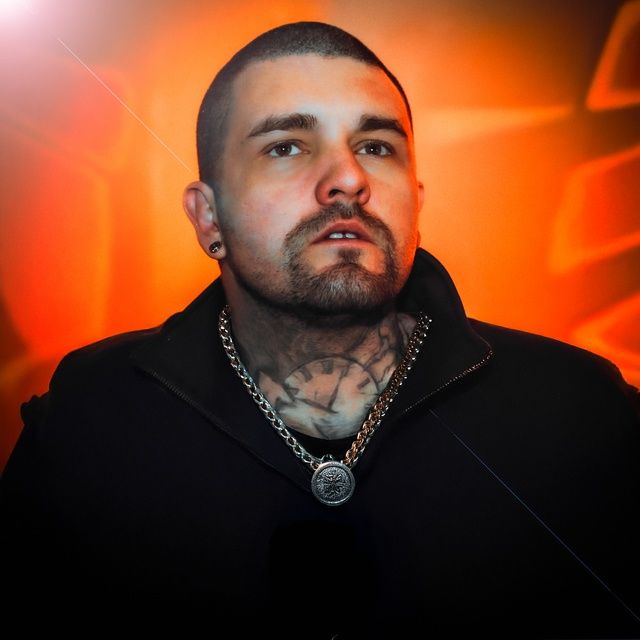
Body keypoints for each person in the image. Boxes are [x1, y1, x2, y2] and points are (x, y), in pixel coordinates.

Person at [1, 21, 639, 640]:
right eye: (286, 146)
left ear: (416, 201)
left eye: (376, 147)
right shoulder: (88, 419)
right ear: (207, 218)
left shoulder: (582, 412)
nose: (349, 179)